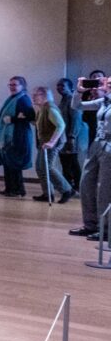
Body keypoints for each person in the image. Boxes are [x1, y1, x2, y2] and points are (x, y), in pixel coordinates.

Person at [69, 75, 111, 240]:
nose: (105, 85)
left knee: (105, 189)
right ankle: (90, 224)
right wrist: (79, 90)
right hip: (97, 144)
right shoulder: (103, 102)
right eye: (106, 83)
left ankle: (105, 230)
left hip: (109, 145)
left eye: (108, 84)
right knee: (85, 184)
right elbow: (77, 106)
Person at [0, 75, 36, 198]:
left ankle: (17, 189)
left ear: (22, 86)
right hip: (10, 136)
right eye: (10, 84)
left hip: (17, 136)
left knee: (14, 164)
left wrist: (12, 119)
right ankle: (9, 188)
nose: (12, 87)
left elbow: (30, 117)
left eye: (15, 84)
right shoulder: (13, 98)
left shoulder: (23, 99)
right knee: (8, 163)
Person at [31, 86, 74, 203]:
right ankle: (47, 194)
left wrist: (52, 142)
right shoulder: (42, 109)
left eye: (36, 95)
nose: (33, 97)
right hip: (45, 142)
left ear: (44, 95)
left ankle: (67, 190)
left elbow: (61, 125)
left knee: (47, 167)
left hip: (52, 142)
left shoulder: (50, 108)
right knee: (40, 168)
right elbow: (44, 124)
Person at [56, 77, 86, 192]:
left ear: (70, 87)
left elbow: (76, 119)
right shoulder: (63, 100)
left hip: (71, 138)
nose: (59, 88)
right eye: (58, 86)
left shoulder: (71, 99)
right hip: (64, 138)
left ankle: (77, 187)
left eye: (62, 86)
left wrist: (72, 137)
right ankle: (68, 186)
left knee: (72, 163)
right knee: (66, 163)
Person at [79, 69, 106, 152]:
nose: (96, 78)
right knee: (91, 148)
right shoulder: (86, 93)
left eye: (99, 76)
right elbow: (79, 106)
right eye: (94, 77)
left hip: (104, 126)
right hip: (90, 124)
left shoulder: (107, 92)